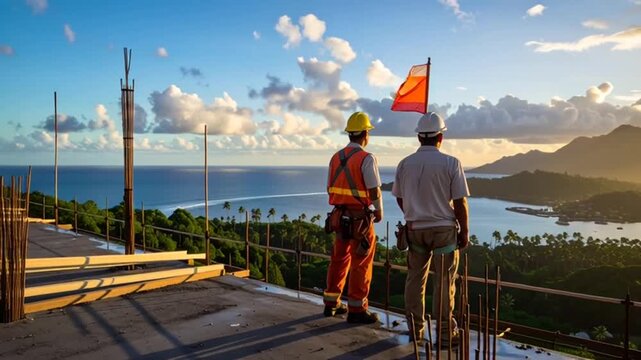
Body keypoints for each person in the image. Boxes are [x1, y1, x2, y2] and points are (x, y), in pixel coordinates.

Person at [392, 112, 470, 344]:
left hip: (415, 229)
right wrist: (464, 232)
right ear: (440, 137)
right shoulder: (451, 163)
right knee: (445, 282)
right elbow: (459, 202)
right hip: (443, 231)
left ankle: (415, 330)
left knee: (415, 280)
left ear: (419, 138)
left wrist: (413, 212)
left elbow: (399, 197)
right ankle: (445, 334)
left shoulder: (404, 164)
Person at [323, 111, 383, 324]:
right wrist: (378, 211)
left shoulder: (335, 158)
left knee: (339, 259)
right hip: (360, 219)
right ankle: (357, 309)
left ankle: (331, 303)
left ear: (349, 134)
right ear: (366, 134)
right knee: (361, 261)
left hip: (340, 217)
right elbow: (374, 191)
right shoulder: (367, 158)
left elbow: (329, 188)